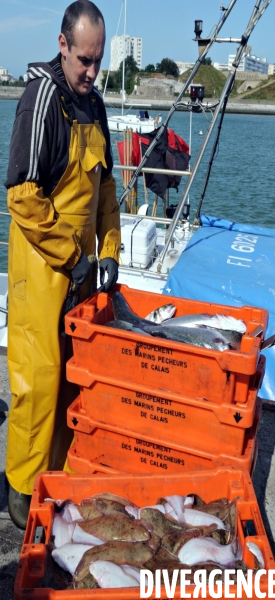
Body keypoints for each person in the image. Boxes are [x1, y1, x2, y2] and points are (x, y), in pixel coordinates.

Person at [4, 0, 120, 529]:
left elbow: (108, 192)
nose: (91, 73)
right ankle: (20, 491)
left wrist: (111, 253)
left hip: (79, 274)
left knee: (76, 380)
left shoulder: (93, 105)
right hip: (42, 269)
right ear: (62, 45)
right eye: (84, 61)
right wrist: (74, 259)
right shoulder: (41, 98)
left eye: (98, 62)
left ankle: (61, 477)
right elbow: (23, 198)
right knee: (40, 381)